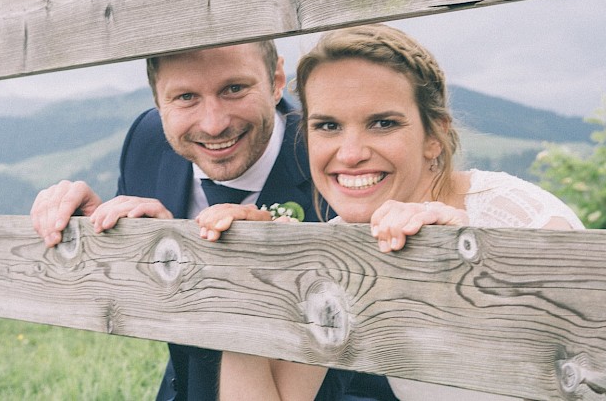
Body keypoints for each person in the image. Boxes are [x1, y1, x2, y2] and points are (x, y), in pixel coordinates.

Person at [197, 24, 584, 401]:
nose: (350, 154)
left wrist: (474, 255)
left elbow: (597, 364)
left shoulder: (517, 215)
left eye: (382, 124)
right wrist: (250, 278)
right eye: (328, 125)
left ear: (435, 136)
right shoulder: (342, 243)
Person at [31, 41, 397, 401]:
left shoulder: (341, 161)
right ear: (158, 101)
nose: (214, 124)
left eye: (234, 89)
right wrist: (116, 237)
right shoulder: (147, 143)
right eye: (186, 97)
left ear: (276, 80)